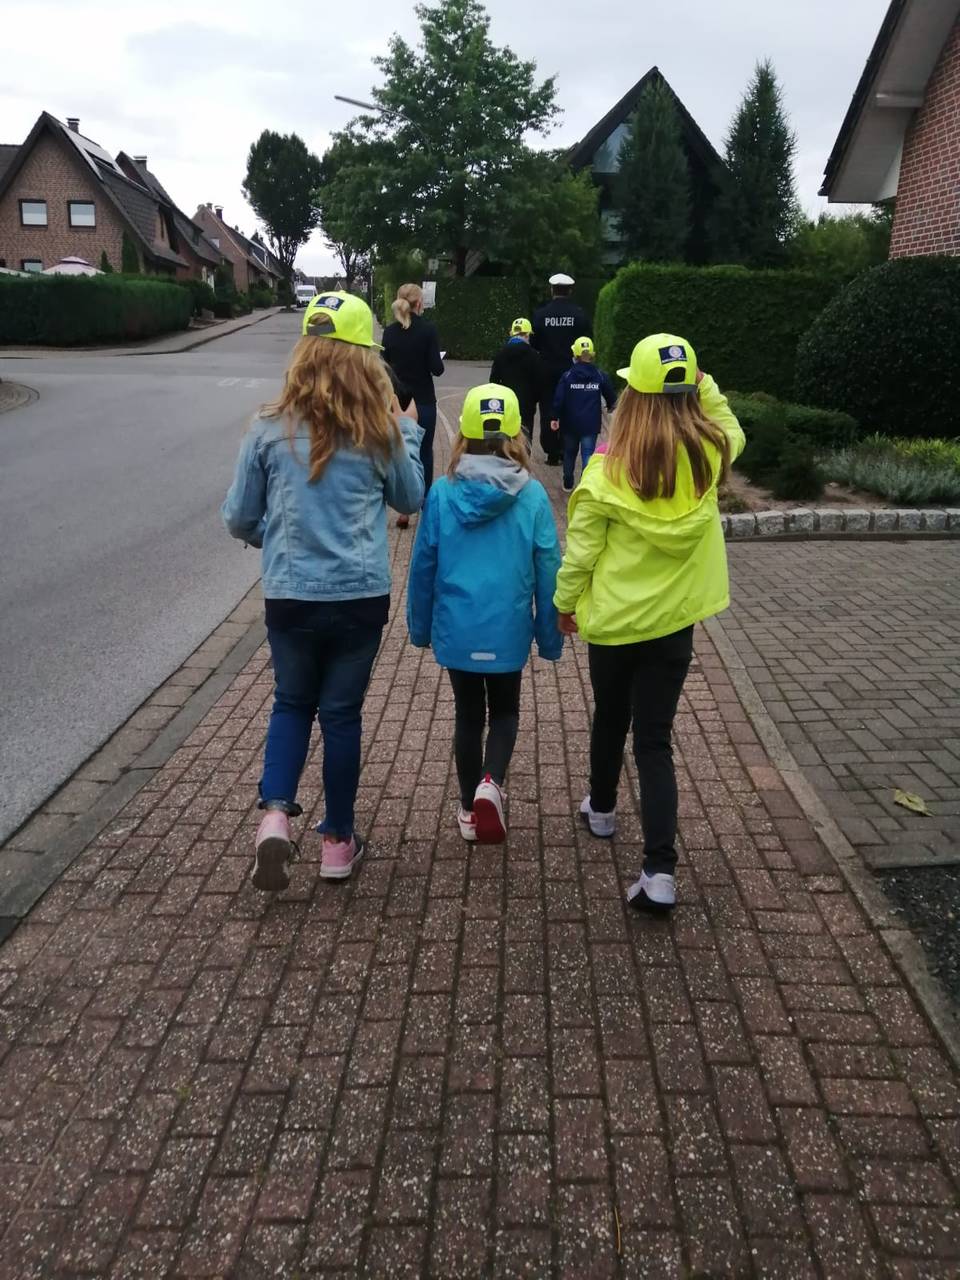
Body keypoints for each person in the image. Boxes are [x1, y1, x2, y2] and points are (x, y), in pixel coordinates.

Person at [222, 292, 424, 891]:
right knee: (340, 715)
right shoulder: (378, 430)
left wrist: (277, 540)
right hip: (359, 598)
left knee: (290, 702)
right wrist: (408, 432)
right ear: (366, 359)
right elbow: (409, 498)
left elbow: (238, 517)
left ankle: (275, 814)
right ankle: (338, 842)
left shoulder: (268, 427)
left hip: (290, 596)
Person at [553, 333, 745, 914]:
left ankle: (602, 808)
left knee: (610, 717)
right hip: (673, 627)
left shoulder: (604, 473)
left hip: (615, 625)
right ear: (691, 397)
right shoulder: (708, 458)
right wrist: (703, 382)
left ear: (632, 396)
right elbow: (730, 427)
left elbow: (581, 555)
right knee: (655, 739)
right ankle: (660, 870)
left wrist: (564, 605)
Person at [407, 384, 563, 844]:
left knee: (468, 715)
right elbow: (549, 568)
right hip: (507, 628)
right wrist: (549, 636)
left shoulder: (441, 494)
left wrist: (420, 628)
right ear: (516, 434)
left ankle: (467, 809)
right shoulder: (532, 496)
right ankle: (491, 783)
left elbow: (423, 566)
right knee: (506, 711)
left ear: (464, 435)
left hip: (458, 628)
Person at [382, 283, 444, 528]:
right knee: (424, 452)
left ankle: (403, 510)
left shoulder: (389, 332)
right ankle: (424, 504)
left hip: (396, 401)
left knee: (398, 451)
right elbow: (437, 369)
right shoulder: (428, 330)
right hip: (423, 400)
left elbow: (385, 367)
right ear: (419, 303)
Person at [531, 273, 592, 466]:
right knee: (570, 408)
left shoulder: (541, 315)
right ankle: (567, 448)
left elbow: (534, 343)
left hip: (547, 369)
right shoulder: (579, 315)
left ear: (551, 290)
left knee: (548, 408)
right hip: (572, 369)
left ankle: (551, 451)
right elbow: (587, 342)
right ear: (570, 291)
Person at [551, 335, 617, 493]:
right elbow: (611, 397)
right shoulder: (600, 375)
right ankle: (586, 484)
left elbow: (559, 398)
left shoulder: (567, 376)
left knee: (569, 453)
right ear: (592, 355)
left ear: (575, 355)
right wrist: (610, 407)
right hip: (591, 423)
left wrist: (555, 417)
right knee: (588, 454)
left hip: (570, 423)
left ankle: (568, 482)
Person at [489, 317, 545, 444]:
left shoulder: (501, 353)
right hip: (526, 404)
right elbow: (540, 382)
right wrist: (534, 399)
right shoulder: (534, 355)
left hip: (505, 403)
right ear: (527, 335)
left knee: (506, 437)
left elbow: (493, 381)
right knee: (525, 438)